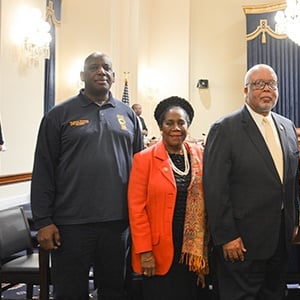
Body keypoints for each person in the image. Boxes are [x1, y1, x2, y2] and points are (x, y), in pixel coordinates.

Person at [30, 51, 144, 299]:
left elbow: (140, 170)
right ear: (83, 75)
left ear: (113, 76)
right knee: (70, 291)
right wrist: (43, 221)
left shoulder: (128, 115)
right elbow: (43, 169)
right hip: (71, 225)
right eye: (94, 67)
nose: (101, 71)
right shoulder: (58, 115)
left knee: (114, 291)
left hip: (117, 224)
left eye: (106, 67)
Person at [203, 64, 300, 299]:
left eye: (272, 84)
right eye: (258, 84)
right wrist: (226, 236)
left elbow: (292, 180)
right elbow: (215, 188)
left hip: (279, 239)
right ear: (245, 90)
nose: (266, 89)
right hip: (242, 242)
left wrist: (293, 220)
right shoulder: (225, 128)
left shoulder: (287, 126)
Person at [128, 96, 211, 299]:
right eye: (169, 123)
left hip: (192, 250)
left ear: (188, 126)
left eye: (181, 123)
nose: (176, 128)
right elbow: (136, 210)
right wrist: (145, 252)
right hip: (157, 252)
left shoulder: (201, 155)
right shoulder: (144, 159)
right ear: (160, 126)